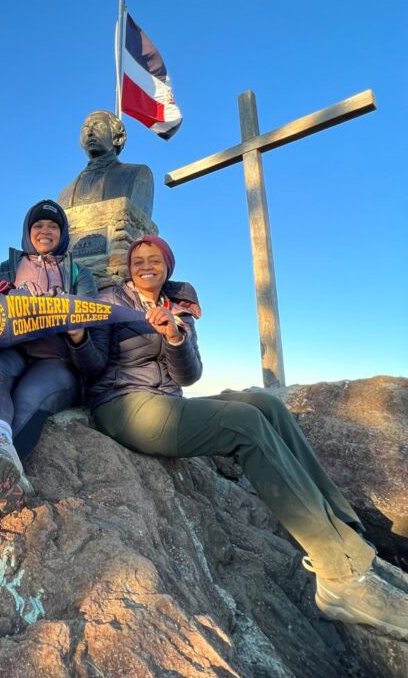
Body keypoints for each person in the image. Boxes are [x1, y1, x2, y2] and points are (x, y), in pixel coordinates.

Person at [87, 233, 408, 639]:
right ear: (129, 267)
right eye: (138, 260)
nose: (146, 265)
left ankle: (345, 533)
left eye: (155, 259)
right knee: (244, 424)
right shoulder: (109, 300)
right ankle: (338, 576)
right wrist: (81, 337)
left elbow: (190, 376)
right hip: (122, 403)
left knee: (267, 406)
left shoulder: (178, 309)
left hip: (168, 398)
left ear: (167, 266)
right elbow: (93, 364)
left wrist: (174, 336)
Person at [0, 199, 108, 544]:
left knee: (28, 398)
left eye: (53, 227)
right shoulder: (8, 269)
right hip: (10, 350)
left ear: (63, 233)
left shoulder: (79, 274)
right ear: (28, 233)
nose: (45, 232)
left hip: (56, 362)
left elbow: (94, 347)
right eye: (38, 226)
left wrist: (77, 332)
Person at [57, 110, 153, 215]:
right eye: (85, 128)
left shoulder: (137, 175)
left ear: (117, 138)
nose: (89, 133)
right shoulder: (64, 194)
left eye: (98, 126)